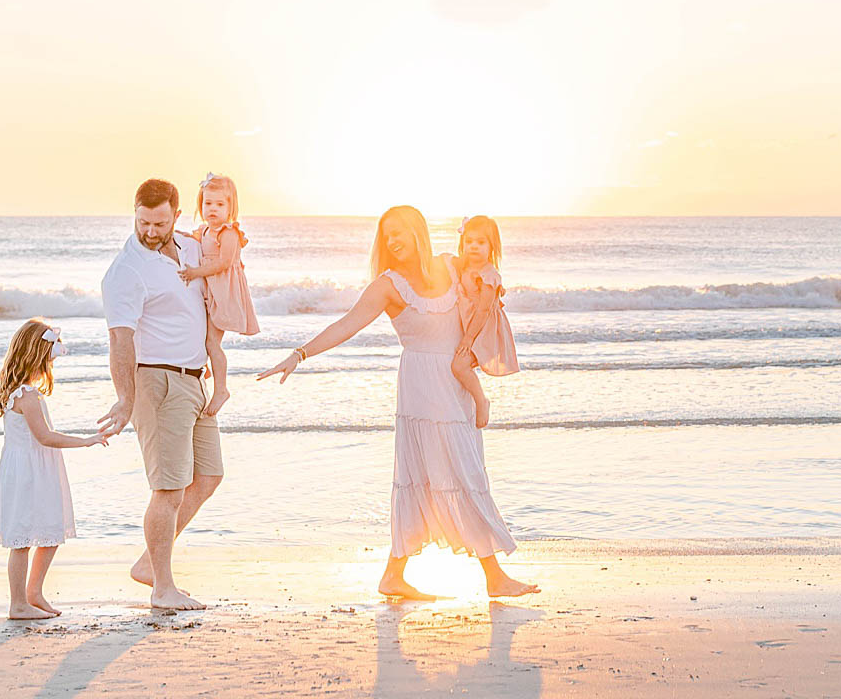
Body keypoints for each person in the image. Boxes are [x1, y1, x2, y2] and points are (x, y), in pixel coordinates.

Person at [258, 206, 538, 599]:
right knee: (428, 476)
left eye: (400, 232)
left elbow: (482, 276)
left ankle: (410, 575)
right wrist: (299, 354)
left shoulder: (449, 266)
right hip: (422, 387)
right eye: (387, 234)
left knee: (465, 472)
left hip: (455, 383)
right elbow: (346, 325)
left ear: (419, 233)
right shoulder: (387, 285)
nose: (393, 240)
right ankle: (484, 577)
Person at [97, 177, 221, 612]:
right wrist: (125, 398)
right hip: (157, 382)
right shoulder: (126, 270)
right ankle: (162, 588)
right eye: (144, 222)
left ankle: (150, 563)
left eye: (160, 222)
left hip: (194, 380)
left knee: (208, 476)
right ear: (134, 212)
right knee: (167, 489)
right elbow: (120, 339)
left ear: (177, 215)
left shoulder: (189, 248)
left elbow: (224, 245)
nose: (151, 231)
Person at [0, 318, 107, 620]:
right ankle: (18, 603)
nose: (50, 365)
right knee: (22, 539)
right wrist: (85, 442)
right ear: (36, 356)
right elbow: (44, 437)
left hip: (36, 467)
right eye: (49, 359)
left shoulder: (25, 392)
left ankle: (34, 593)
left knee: (49, 532)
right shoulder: (25, 396)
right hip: (28, 473)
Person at [178, 171, 259, 417]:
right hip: (209, 289)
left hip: (224, 291)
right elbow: (191, 239)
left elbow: (224, 263)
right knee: (201, 333)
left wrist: (195, 272)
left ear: (230, 207)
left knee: (213, 342)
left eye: (219, 204)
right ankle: (207, 365)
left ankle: (221, 389)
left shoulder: (229, 232)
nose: (212, 209)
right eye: (207, 203)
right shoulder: (203, 231)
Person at [449, 215, 519, 429]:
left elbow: (483, 310)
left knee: (459, 365)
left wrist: (469, 338)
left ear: (491, 246)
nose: (474, 247)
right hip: (468, 323)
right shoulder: (464, 266)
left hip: (481, 328)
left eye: (480, 243)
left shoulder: (487, 275)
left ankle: (481, 400)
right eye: (469, 241)